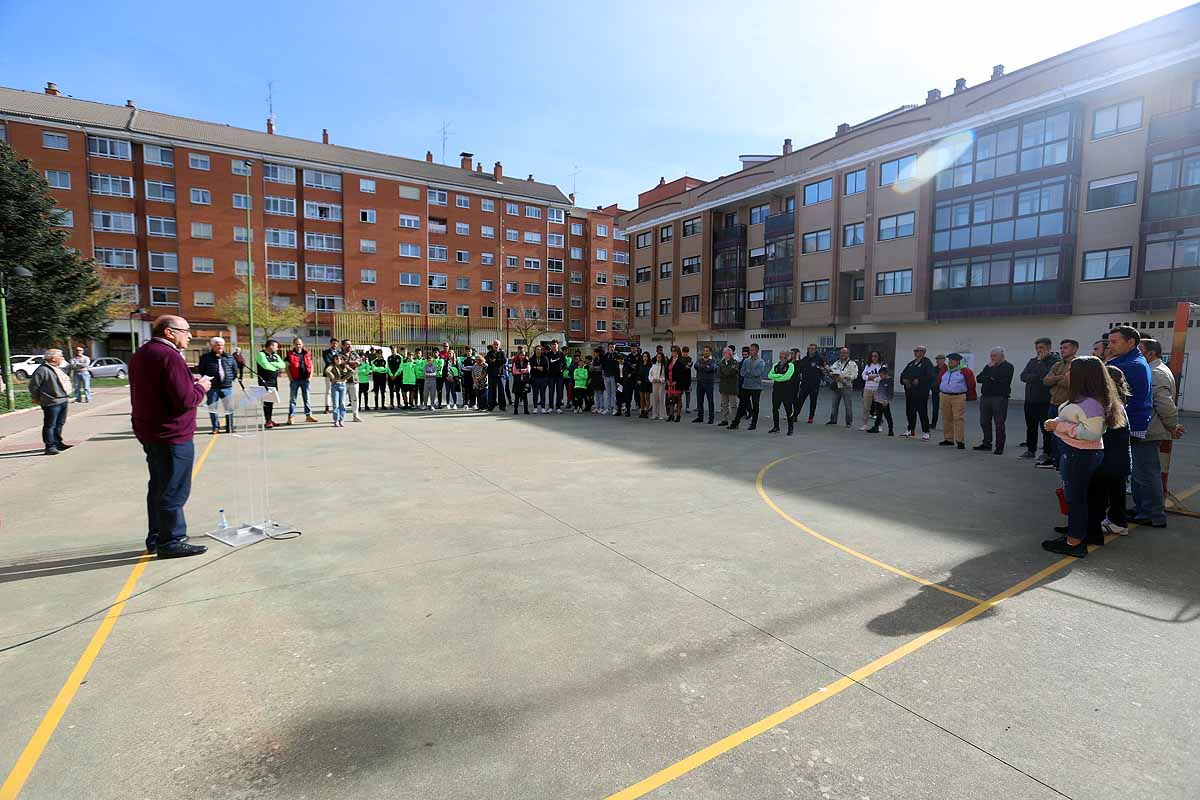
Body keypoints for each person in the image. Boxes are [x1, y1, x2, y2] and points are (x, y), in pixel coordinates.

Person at [129, 315, 210, 558]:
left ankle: (156, 536)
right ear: (169, 332)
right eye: (186, 331)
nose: (190, 335)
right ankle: (171, 540)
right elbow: (186, 400)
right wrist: (201, 387)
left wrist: (188, 382)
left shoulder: (143, 353)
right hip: (171, 433)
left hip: (150, 431)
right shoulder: (169, 356)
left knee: (159, 487)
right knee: (174, 489)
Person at [1041, 356, 1124, 558]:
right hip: (1074, 452)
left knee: (1076, 499)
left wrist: (1058, 426)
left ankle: (1074, 542)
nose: (1066, 374)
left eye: (1071, 371)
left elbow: (1091, 433)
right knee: (1075, 497)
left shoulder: (1091, 403)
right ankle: (1075, 533)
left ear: (1082, 376)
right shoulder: (1084, 399)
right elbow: (1077, 420)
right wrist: (1057, 422)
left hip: (1080, 454)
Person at [1104, 326, 1157, 528]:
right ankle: (1118, 516)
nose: (1110, 346)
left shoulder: (1130, 365)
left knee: (1116, 475)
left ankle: (1118, 518)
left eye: (1114, 342)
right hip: (1128, 423)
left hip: (1125, 425)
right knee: (1119, 475)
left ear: (1131, 343)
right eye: (1109, 342)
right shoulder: (1130, 361)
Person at [1130, 338, 1184, 527]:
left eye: (1138, 350)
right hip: (1145, 429)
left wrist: (1172, 425)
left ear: (1150, 353)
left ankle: (1153, 514)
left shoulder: (1156, 373)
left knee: (1147, 473)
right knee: (1140, 472)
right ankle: (1142, 509)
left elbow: (1165, 404)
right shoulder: (1153, 370)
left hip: (1150, 430)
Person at [1079, 365, 1133, 542]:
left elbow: (1097, 433)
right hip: (1117, 461)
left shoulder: (1105, 404)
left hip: (1106, 461)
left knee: (1096, 497)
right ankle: (1117, 522)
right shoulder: (1116, 402)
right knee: (1113, 494)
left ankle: (1091, 533)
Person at [1040, 339, 1078, 468]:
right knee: (1053, 434)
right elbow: (1046, 381)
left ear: (1074, 349)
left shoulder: (1078, 365)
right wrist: (1060, 377)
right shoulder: (1057, 364)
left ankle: (1063, 461)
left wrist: (1056, 380)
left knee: (1065, 435)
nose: (1062, 350)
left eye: (1065, 348)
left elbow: (1070, 384)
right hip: (1053, 403)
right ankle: (1054, 459)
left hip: (1067, 405)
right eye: (1061, 348)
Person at [27, 348, 72, 456]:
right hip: (51, 402)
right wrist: (39, 397)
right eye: (60, 356)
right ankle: (50, 446)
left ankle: (58, 443)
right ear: (53, 358)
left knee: (59, 423)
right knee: (50, 425)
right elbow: (33, 386)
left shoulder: (57, 368)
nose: (62, 358)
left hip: (63, 399)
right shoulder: (43, 370)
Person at [1019, 338, 1059, 461]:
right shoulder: (1032, 361)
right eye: (1037, 348)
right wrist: (1037, 376)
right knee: (1031, 426)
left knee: (1045, 427)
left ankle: (1047, 452)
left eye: (1041, 348)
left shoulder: (1055, 362)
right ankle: (1030, 450)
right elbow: (1023, 376)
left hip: (1045, 400)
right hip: (1030, 399)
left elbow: (1047, 377)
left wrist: (1040, 364)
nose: (1038, 351)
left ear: (1048, 348)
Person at [974, 347, 1014, 454]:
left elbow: (1001, 381)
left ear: (1002, 356)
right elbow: (979, 378)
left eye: (994, 356)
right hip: (986, 397)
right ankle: (987, 443)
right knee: (984, 422)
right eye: (991, 356)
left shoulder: (1008, 366)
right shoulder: (989, 366)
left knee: (999, 423)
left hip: (999, 398)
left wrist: (990, 376)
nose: (992, 358)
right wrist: (988, 370)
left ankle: (999, 446)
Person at [197, 336, 236, 434]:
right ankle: (215, 427)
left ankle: (230, 427)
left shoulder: (229, 357)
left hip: (227, 387)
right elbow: (201, 370)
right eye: (217, 345)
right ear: (212, 346)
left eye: (222, 345)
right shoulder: (205, 358)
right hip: (212, 388)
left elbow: (235, 371)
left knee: (229, 408)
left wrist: (230, 379)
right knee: (213, 408)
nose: (220, 347)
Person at [937, 352, 975, 449]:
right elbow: (939, 380)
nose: (950, 362)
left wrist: (970, 396)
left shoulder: (965, 371)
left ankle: (960, 441)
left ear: (958, 361)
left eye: (952, 360)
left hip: (958, 396)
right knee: (946, 418)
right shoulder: (945, 370)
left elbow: (971, 384)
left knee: (958, 418)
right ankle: (948, 439)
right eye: (949, 360)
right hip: (944, 395)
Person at [898, 346, 934, 440]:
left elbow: (930, 377)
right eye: (915, 351)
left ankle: (926, 432)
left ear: (923, 352)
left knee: (922, 412)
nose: (916, 352)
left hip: (921, 393)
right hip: (910, 392)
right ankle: (910, 430)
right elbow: (903, 374)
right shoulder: (911, 363)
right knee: (910, 411)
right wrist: (904, 381)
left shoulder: (927, 363)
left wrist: (919, 380)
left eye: (918, 351)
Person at [729, 343, 766, 431]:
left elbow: (758, 373)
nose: (750, 351)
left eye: (752, 350)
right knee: (742, 405)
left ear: (757, 351)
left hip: (756, 387)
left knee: (755, 406)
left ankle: (753, 424)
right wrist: (750, 373)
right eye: (750, 350)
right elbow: (742, 372)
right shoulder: (746, 361)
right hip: (746, 386)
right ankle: (735, 422)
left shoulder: (761, 362)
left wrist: (748, 372)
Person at [285, 337, 319, 425]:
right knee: (293, 399)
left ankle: (308, 416)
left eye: (300, 344)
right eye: (296, 344)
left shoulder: (307, 353)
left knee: (307, 399)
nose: (298, 346)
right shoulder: (289, 354)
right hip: (295, 380)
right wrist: (290, 378)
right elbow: (287, 367)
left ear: (302, 344)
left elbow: (311, 365)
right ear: (294, 345)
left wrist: (310, 376)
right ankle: (291, 417)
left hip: (305, 380)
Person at [825, 347, 857, 427]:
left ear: (848, 354)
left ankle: (849, 422)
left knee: (848, 405)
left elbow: (855, 375)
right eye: (842, 353)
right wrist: (829, 372)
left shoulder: (852, 364)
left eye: (845, 353)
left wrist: (845, 377)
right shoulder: (836, 363)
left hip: (846, 386)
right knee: (834, 404)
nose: (843, 354)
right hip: (837, 385)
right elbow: (832, 371)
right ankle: (833, 420)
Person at [256, 339, 285, 428]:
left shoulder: (275, 355)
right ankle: (267, 420)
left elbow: (283, 365)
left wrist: (273, 363)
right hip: (265, 381)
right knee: (266, 402)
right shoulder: (261, 354)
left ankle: (270, 419)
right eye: (276, 346)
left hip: (273, 381)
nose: (277, 348)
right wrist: (275, 366)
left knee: (271, 401)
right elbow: (266, 366)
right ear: (270, 346)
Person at [795, 344, 825, 425]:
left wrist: (822, 371)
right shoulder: (805, 359)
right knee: (800, 400)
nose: (811, 350)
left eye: (813, 349)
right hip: (804, 384)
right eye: (810, 349)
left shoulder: (819, 359)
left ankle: (811, 417)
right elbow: (798, 367)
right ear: (808, 350)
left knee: (813, 402)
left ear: (816, 350)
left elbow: (825, 369)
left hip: (814, 385)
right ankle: (795, 415)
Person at [767, 350, 795, 435]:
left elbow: (787, 377)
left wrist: (776, 377)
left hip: (787, 391)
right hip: (776, 391)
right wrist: (779, 376)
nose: (781, 358)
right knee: (775, 409)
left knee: (788, 410)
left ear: (787, 357)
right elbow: (769, 375)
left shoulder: (790, 365)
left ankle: (790, 428)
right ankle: (776, 427)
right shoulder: (775, 365)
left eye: (783, 357)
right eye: (780, 356)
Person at [324, 352, 354, 427]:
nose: (338, 360)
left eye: (340, 359)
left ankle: (342, 419)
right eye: (336, 358)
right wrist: (333, 378)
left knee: (342, 404)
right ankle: (336, 420)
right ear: (333, 359)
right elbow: (327, 371)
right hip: (335, 386)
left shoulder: (344, 365)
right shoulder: (332, 366)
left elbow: (352, 371)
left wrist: (344, 379)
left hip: (343, 385)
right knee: (336, 404)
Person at [337, 340, 363, 422]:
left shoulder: (354, 354)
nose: (349, 346)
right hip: (344, 380)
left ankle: (356, 415)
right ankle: (341, 416)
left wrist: (350, 363)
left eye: (350, 344)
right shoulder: (339, 355)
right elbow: (341, 364)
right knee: (342, 400)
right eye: (347, 344)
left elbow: (360, 362)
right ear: (343, 346)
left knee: (355, 399)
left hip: (354, 379)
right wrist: (353, 363)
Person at [859, 351, 884, 431]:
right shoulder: (868, 366)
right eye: (872, 356)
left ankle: (879, 425)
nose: (874, 358)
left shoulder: (881, 366)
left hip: (878, 389)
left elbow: (882, 377)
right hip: (867, 388)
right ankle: (865, 424)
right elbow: (863, 376)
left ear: (878, 357)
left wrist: (872, 377)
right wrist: (872, 377)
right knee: (866, 407)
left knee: (879, 408)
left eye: (875, 356)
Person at [693, 345, 717, 424]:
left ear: (710, 352)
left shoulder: (713, 360)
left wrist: (702, 367)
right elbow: (695, 366)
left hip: (709, 383)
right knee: (699, 401)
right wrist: (705, 367)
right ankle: (700, 417)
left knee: (710, 401)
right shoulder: (699, 359)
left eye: (707, 351)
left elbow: (711, 368)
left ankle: (711, 418)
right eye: (704, 350)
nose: (705, 352)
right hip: (700, 383)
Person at [867, 366, 894, 435]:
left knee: (888, 415)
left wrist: (887, 400)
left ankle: (890, 429)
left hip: (884, 402)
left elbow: (890, 392)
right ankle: (876, 427)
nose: (880, 377)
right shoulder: (882, 380)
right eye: (880, 375)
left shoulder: (889, 381)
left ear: (886, 374)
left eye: (881, 375)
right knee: (878, 415)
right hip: (879, 400)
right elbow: (879, 389)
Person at [716, 347, 740, 426]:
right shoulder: (721, 362)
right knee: (724, 405)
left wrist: (724, 371)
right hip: (723, 387)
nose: (723, 354)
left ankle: (734, 421)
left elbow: (731, 372)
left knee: (733, 405)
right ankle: (725, 419)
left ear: (729, 354)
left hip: (732, 387)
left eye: (725, 353)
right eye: (723, 353)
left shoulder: (734, 363)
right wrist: (725, 372)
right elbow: (718, 373)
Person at [665, 346, 687, 422]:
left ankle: (678, 415)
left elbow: (682, 374)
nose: (673, 353)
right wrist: (667, 380)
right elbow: (666, 371)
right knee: (670, 400)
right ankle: (671, 415)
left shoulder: (681, 361)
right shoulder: (669, 360)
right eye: (672, 351)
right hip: (669, 383)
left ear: (678, 352)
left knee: (678, 400)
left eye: (674, 351)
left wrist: (676, 381)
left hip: (677, 384)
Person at [485, 341, 507, 411]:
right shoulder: (489, 353)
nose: (496, 346)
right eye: (495, 344)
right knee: (491, 391)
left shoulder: (502, 352)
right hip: (492, 375)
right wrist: (495, 361)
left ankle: (502, 406)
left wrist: (495, 361)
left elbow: (504, 360)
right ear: (492, 345)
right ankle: (491, 405)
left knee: (501, 391)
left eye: (497, 345)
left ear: (499, 345)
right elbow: (487, 361)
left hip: (500, 374)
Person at [545, 340, 566, 412]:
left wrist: (562, 370)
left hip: (559, 376)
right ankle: (551, 407)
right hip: (551, 376)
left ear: (558, 345)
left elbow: (565, 365)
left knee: (559, 391)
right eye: (552, 345)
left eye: (555, 344)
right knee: (551, 391)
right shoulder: (548, 354)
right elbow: (545, 364)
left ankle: (558, 407)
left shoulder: (561, 354)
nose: (554, 346)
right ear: (551, 346)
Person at [510, 346, 531, 414]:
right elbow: (514, 371)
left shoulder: (527, 362)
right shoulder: (516, 362)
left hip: (525, 381)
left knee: (525, 396)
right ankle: (515, 410)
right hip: (517, 381)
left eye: (523, 355)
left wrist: (520, 370)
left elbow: (528, 370)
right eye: (521, 355)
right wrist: (522, 371)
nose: (522, 356)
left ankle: (526, 410)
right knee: (516, 396)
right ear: (519, 355)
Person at [530, 344, 549, 413]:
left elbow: (546, 369)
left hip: (543, 378)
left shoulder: (545, 358)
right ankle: (535, 407)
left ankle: (543, 407)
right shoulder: (532, 359)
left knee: (542, 393)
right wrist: (538, 368)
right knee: (535, 393)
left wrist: (538, 368)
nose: (538, 351)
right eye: (537, 349)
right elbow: (531, 369)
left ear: (541, 351)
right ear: (535, 350)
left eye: (540, 349)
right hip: (534, 378)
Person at [321, 337, 339, 414]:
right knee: (328, 390)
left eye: (336, 343)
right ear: (330, 344)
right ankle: (327, 407)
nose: (334, 345)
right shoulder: (325, 352)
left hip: (338, 374)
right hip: (328, 374)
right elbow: (327, 361)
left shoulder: (339, 353)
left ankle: (336, 406)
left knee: (337, 390)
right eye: (333, 343)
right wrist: (337, 363)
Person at [648, 353, 667, 420]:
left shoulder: (664, 366)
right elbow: (650, 374)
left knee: (661, 399)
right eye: (657, 357)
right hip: (654, 384)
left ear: (662, 358)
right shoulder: (653, 366)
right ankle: (654, 414)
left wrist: (661, 380)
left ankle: (662, 414)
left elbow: (665, 376)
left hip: (661, 384)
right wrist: (652, 380)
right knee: (654, 398)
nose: (658, 358)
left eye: (660, 357)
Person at [930, 354, 947, 429]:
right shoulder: (934, 369)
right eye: (937, 359)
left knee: (945, 409)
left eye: (939, 359)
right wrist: (931, 386)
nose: (938, 360)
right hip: (935, 391)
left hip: (944, 392)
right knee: (935, 409)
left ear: (944, 360)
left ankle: (946, 424)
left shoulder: (947, 369)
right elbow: (930, 378)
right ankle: (933, 424)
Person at [618, 352, 637, 417]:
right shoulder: (617, 365)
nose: (621, 360)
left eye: (622, 359)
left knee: (627, 397)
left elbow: (634, 370)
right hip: (619, 381)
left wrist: (630, 374)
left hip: (627, 382)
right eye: (619, 359)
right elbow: (615, 373)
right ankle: (619, 411)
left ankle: (628, 411)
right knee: (619, 396)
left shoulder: (627, 364)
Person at [636, 351, 653, 418]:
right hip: (641, 383)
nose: (645, 358)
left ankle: (646, 411)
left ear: (648, 357)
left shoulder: (650, 365)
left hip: (647, 383)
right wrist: (638, 380)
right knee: (641, 398)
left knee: (647, 398)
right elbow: (638, 374)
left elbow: (651, 374)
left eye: (646, 356)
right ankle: (642, 411)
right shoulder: (640, 364)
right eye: (643, 356)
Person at [680, 346, 694, 415]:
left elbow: (689, 367)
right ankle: (679, 405)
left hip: (688, 379)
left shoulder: (690, 359)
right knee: (680, 393)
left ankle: (687, 407)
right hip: (680, 379)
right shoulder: (679, 359)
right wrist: (684, 366)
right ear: (682, 352)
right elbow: (679, 367)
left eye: (686, 352)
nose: (685, 353)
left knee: (688, 393)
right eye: (684, 352)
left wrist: (683, 367)